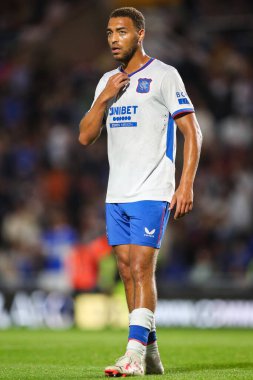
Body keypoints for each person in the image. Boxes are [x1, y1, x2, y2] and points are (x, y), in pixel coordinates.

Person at [79, 6, 202, 377]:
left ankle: (131, 355)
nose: (114, 39)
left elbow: (192, 131)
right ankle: (150, 353)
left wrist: (186, 183)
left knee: (141, 267)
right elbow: (85, 136)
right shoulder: (107, 82)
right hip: (117, 191)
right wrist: (104, 98)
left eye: (122, 31)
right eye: (109, 33)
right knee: (126, 273)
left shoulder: (164, 75)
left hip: (153, 187)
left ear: (140, 34)